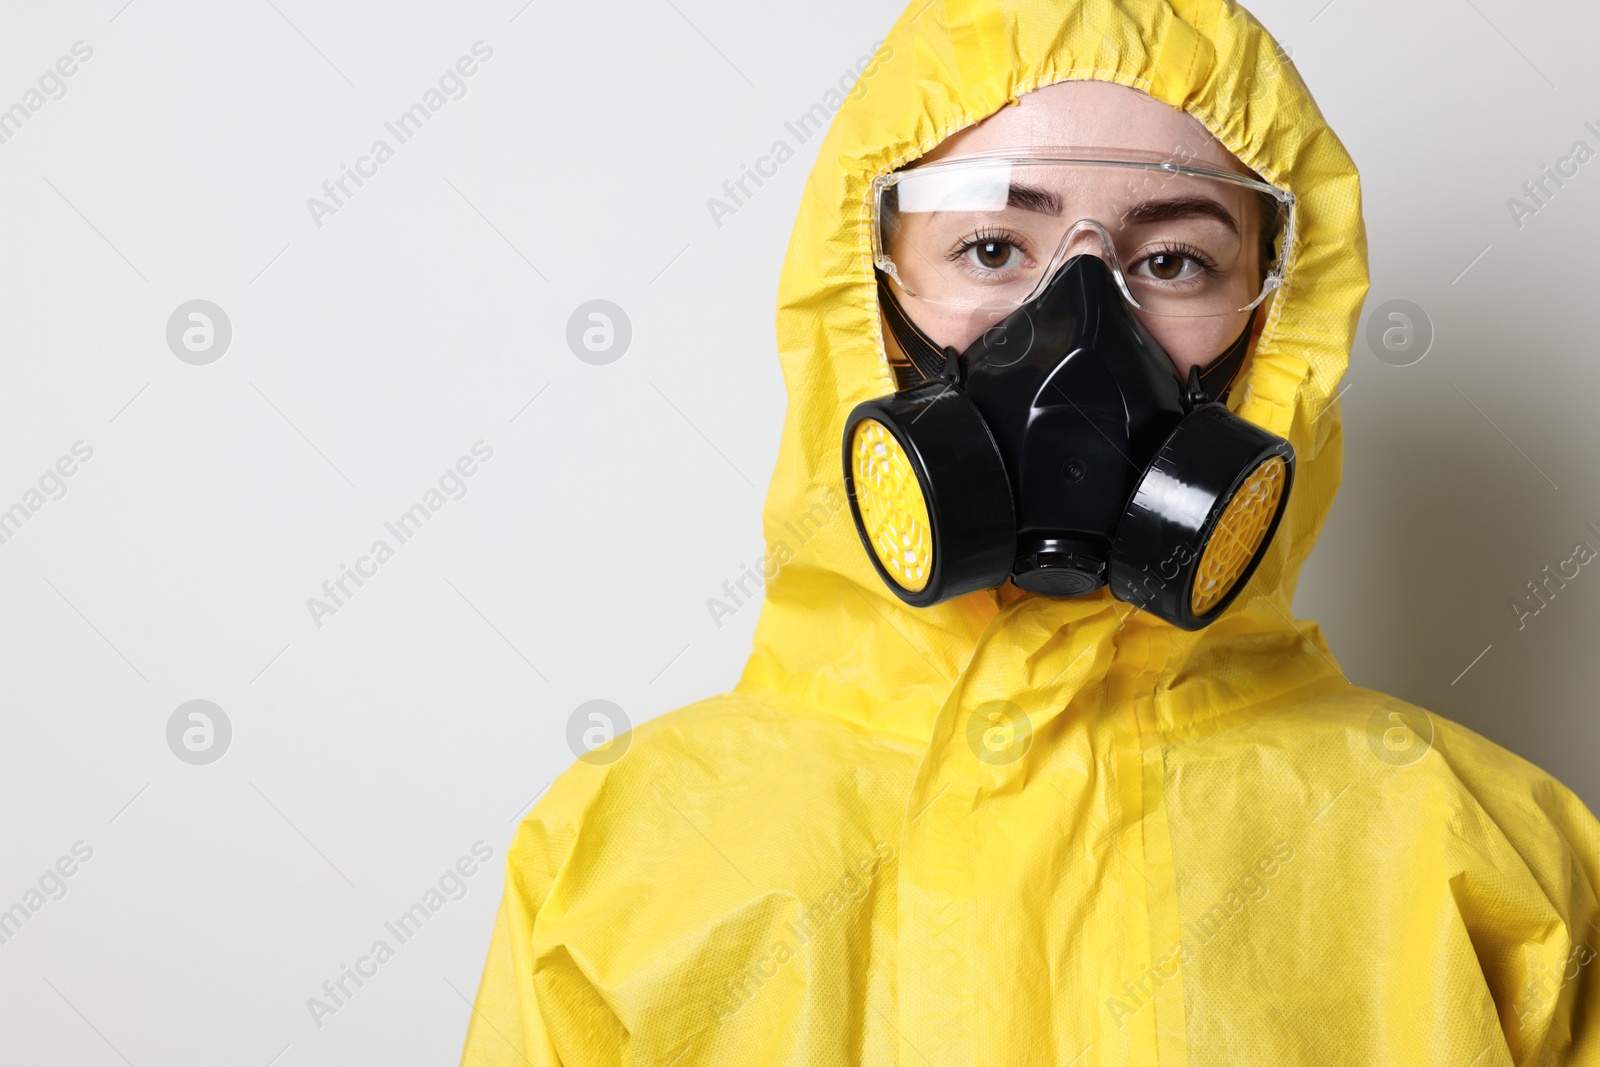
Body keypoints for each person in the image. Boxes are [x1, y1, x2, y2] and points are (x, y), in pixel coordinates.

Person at [461, 0, 1600, 1063]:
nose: (1081, 328)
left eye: (1173, 259)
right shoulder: (616, 861)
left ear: (1277, 320)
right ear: (865, 296)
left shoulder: (1489, 866)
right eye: (993, 247)